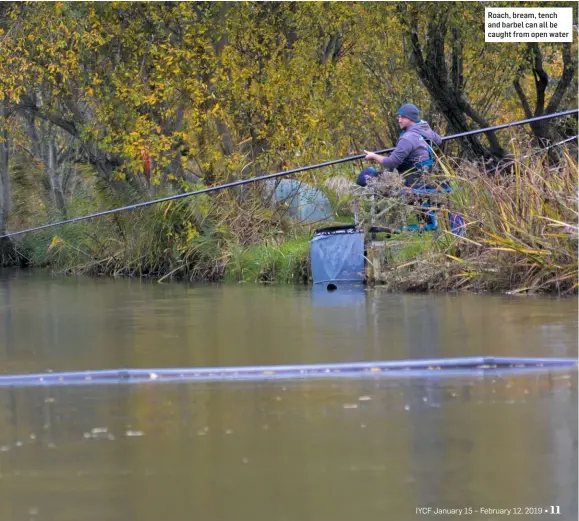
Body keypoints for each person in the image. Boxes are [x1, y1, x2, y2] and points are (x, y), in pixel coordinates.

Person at [357, 103, 443, 189]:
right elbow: (438, 140)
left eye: (403, 117)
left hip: (410, 180)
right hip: (426, 176)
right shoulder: (423, 128)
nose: (399, 120)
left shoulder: (407, 138)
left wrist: (374, 156)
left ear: (411, 118)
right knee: (375, 172)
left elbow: (391, 163)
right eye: (399, 117)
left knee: (366, 175)